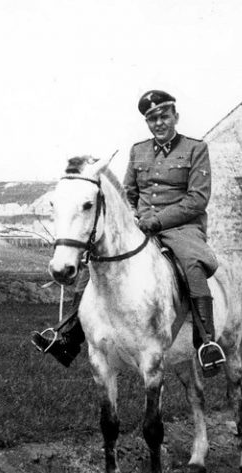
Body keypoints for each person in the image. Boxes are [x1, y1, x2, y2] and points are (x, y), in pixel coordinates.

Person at [32, 89, 226, 377]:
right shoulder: (139, 150)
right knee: (95, 263)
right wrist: (133, 215)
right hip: (141, 225)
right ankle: (69, 336)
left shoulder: (196, 149)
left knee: (192, 264)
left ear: (175, 116)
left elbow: (196, 199)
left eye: (164, 116)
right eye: (152, 119)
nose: (159, 123)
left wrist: (157, 221)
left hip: (182, 227)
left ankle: (206, 342)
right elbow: (129, 194)